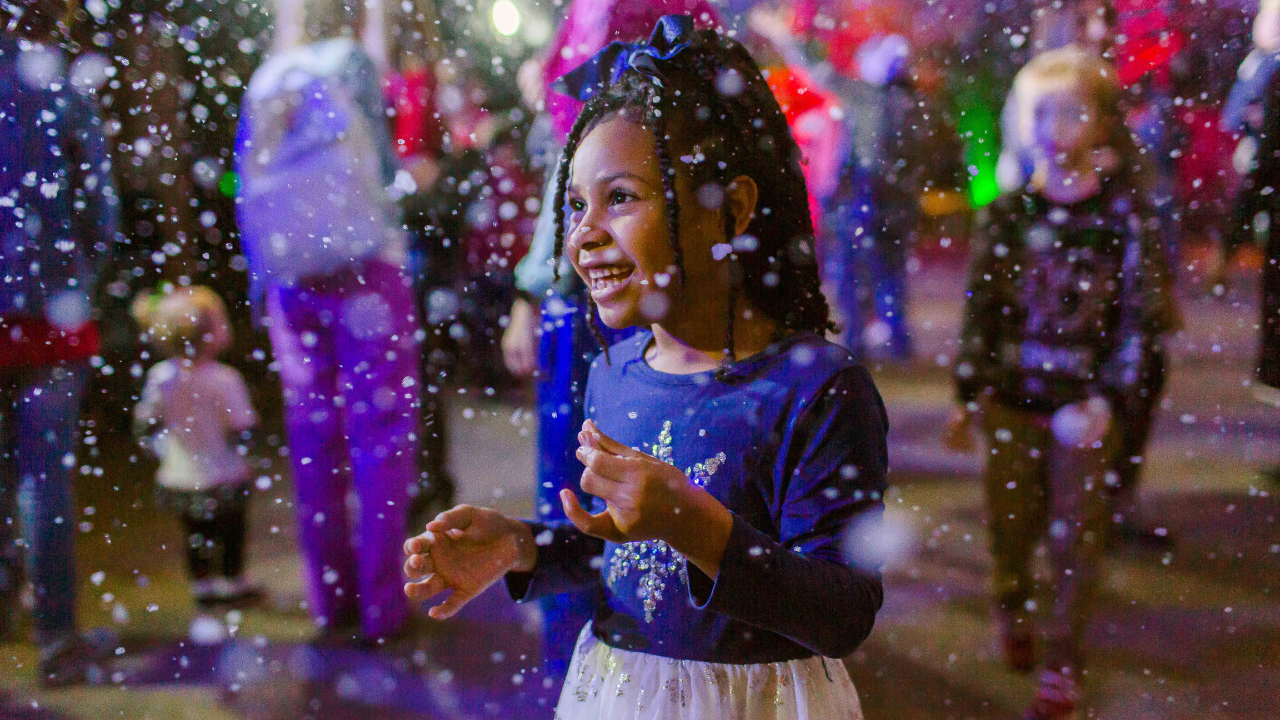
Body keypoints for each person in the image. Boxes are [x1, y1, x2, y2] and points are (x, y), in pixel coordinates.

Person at [407, 17, 887, 719]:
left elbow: (843, 614)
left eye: (621, 198)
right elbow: (621, 547)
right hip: (623, 696)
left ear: (733, 210)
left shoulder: (814, 389)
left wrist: (697, 526)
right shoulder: (614, 372)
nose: (585, 235)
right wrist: (522, 547)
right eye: (574, 206)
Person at [499, 0, 720, 686]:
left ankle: (666, 659)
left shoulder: (673, 25)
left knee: (667, 491)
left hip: (647, 304)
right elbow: (576, 181)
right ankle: (584, 674)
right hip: (580, 304)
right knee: (578, 493)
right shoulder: (588, 18)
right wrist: (532, 295)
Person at [946, 46, 1169, 720]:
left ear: (1101, 123)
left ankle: (1064, 655)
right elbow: (980, 309)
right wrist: (967, 391)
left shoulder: (1122, 219)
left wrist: (1111, 398)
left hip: (1085, 408)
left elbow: (1139, 318)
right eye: (1041, 110)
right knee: (1010, 525)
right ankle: (1011, 604)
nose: (1055, 125)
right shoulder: (1008, 214)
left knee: (1079, 534)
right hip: (1012, 401)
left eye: (1071, 110)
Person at [236, 0, 422, 643]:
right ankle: (382, 607)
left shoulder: (265, 78)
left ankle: (328, 600)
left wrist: (266, 280)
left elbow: (248, 186)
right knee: (380, 437)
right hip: (366, 272)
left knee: (313, 436)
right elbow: (385, 169)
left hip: (291, 281)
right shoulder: (350, 64)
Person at [0, 0, 120, 686]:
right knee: (42, 477)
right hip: (50, 310)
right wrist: (74, 276)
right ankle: (55, 637)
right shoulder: (59, 87)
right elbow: (100, 210)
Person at [132, 287, 262, 608]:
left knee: (195, 532)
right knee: (231, 529)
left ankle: (202, 585)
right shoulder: (225, 379)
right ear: (214, 334)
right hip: (224, 472)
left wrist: (162, 449)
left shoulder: (161, 376)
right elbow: (242, 427)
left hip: (181, 474)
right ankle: (233, 582)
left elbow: (146, 421)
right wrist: (247, 451)